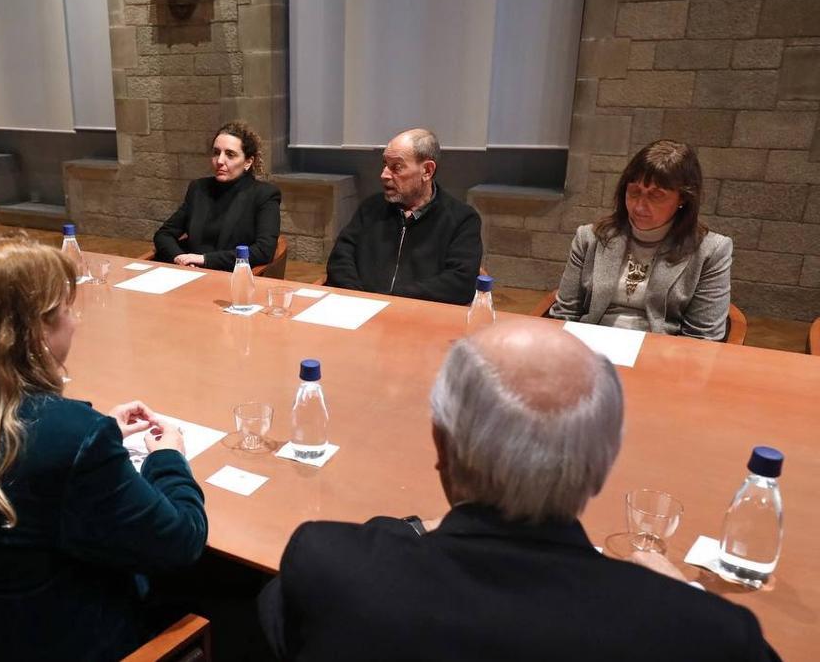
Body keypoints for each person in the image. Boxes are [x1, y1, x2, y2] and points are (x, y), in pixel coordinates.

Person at [258, 320, 780, 662]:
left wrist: (411, 529)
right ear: (602, 466)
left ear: (441, 444)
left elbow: (275, 615)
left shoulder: (332, 564)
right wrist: (684, 591)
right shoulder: (711, 639)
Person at [0, 235, 208, 661]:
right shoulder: (68, 440)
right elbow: (180, 541)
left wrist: (92, 432)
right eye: (67, 309)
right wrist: (168, 457)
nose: (76, 321)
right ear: (33, 331)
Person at [549, 139, 732, 340]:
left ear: (683, 199)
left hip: (663, 357)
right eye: (634, 192)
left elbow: (703, 338)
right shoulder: (590, 237)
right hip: (589, 348)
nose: (639, 207)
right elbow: (564, 315)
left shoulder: (711, 251)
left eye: (656, 196)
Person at [324, 128, 482, 305]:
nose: (384, 175)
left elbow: (460, 283)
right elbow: (340, 260)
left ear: (427, 171)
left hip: (420, 319)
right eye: (385, 164)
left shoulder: (462, 220)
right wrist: (360, 298)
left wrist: (393, 300)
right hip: (359, 310)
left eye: (396, 167)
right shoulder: (371, 208)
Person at [153, 121, 281, 271]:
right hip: (189, 273)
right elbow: (164, 234)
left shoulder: (264, 194)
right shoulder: (199, 189)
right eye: (216, 152)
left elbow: (263, 251)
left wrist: (204, 260)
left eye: (230, 154)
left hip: (230, 277)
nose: (219, 161)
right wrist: (180, 259)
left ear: (248, 162)